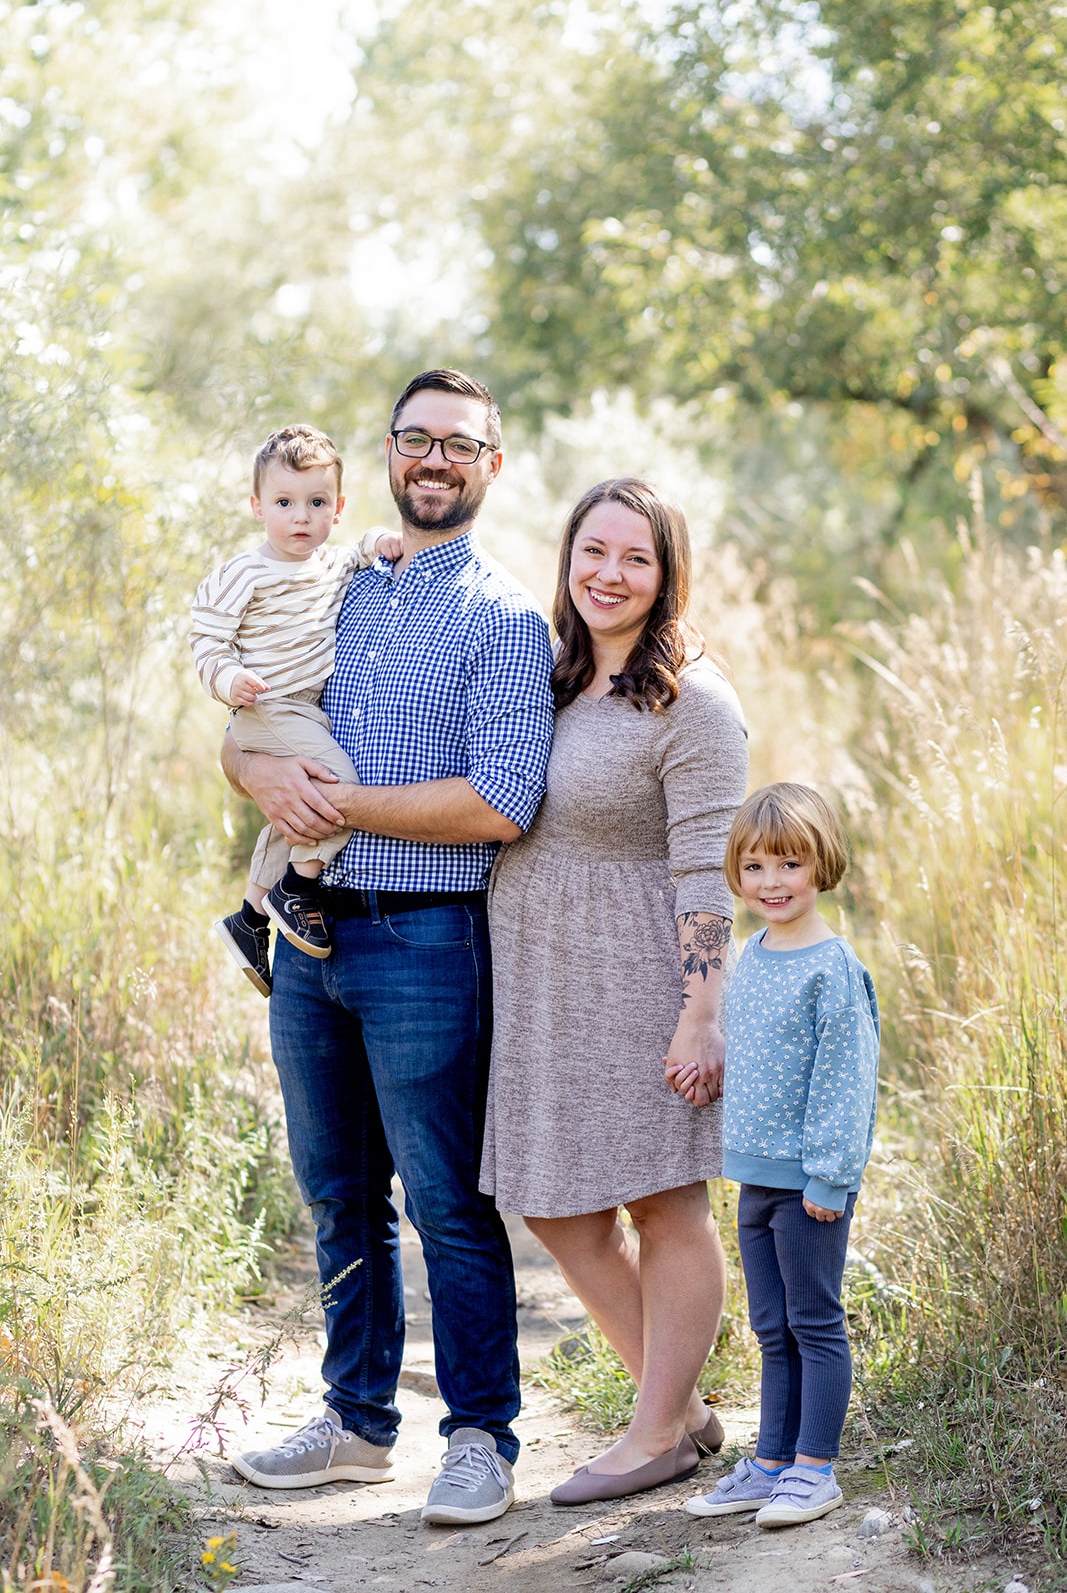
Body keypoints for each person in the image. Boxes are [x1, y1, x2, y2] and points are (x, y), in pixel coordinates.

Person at [219, 370, 555, 1525]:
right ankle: (357, 1422)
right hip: (308, 942)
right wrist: (257, 771)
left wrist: (349, 805)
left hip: (424, 940)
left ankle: (480, 1437)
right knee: (336, 1194)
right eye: (415, 438)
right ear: (389, 451)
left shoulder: (505, 619)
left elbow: (502, 800)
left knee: (446, 1201)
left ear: (490, 467)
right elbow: (251, 736)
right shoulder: (338, 585)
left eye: (458, 445)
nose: (433, 458)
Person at [480, 477, 749, 1505]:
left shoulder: (692, 699)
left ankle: (652, 1437)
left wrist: (700, 1007)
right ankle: (674, 1405)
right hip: (544, 976)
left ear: (665, 576)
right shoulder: (544, 673)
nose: (608, 573)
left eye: (635, 558)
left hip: (637, 976)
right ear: (566, 555)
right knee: (559, 1206)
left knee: (663, 1197)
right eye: (593, 550)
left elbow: (700, 870)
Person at [683, 783, 879, 1528]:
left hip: (808, 1182)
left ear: (821, 867)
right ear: (736, 873)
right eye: (756, 866)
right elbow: (762, 1053)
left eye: (789, 865)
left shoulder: (832, 970)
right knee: (771, 1326)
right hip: (755, 1174)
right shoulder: (748, 955)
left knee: (813, 1322)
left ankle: (814, 1470)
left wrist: (830, 1176)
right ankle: (769, 1462)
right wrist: (713, 1066)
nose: (771, 883)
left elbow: (843, 1082)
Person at [190, 425, 401, 993]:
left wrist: (379, 538)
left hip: (307, 709)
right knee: (334, 787)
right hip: (268, 706)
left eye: (316, 503)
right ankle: (297, 891)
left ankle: (251, 919)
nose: (300, 517)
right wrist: (228, 677)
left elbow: (360, 551)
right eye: (284, 503)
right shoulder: (245, 572)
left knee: (295, 810)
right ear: (258, 507)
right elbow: (206, 638)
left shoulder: (331, 564)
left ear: (337, 508)